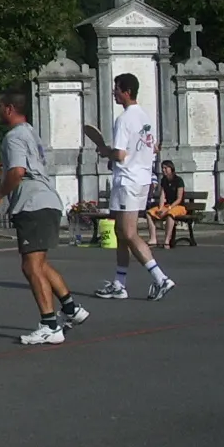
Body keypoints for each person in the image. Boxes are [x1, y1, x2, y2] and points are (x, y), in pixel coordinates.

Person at [0, 89, 91, 344]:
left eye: (0, 106)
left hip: (33, 206)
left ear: (9, 108)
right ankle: (71, 309)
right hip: (48, 202)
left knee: (30, 266)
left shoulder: (13, 137)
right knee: (39, 263)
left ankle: (49, 325)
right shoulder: (31, 132)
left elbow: (17, 171)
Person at [84, 74, 175, 300]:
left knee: (128, 232)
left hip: (128, 181)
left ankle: (160, 278)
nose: (113, 92)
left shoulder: (123, 119)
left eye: (116, 89)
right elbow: (152, 149)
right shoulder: (146, 117)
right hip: (141, 179)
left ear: (126, 91)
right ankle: (119, 283)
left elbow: (121, 154)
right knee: (119, 232)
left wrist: (106, 152)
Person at [147, 159, 189, 248]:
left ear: (171, 168)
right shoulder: (164, 180)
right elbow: (162, 195)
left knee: (170, 214)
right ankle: (153, 238)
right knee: (149, 213)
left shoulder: (178, 180)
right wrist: (161, 208)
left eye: (166, 168)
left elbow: (179, 199)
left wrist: (168, 208)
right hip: (167, 205)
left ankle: (167, 240)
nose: (163, 170)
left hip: (179, 206)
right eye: (162, 168)